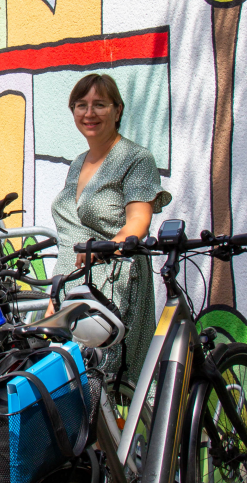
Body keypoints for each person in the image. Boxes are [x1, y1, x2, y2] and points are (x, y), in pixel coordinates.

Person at [49, 72, 172, 383]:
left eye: (100, 105)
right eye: (81, 105)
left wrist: (109, 247)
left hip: (112, 286)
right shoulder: (78, 162)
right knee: (64, 385)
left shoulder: (136, 159)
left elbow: (138, 221)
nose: (89, 113)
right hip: (71, 287)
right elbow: (71, 234)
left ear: (118, 110)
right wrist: (55, 293)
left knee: (99, 385)